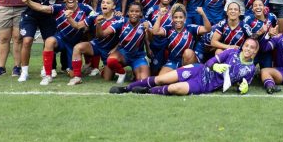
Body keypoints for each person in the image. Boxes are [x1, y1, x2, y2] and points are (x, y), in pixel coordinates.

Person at [111, 38, 259, 96]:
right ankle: (126, 88)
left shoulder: (250, 69)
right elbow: (208, 63)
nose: (248, 49)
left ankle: (147, 91)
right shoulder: (232, 52)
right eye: (246, 45)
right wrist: (215, 67)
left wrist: (243, 88)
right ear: (243, 45)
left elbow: (242, 84)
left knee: (175, 88)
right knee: (162, 79)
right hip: (198, 70)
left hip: (204, 85)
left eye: (252, 47)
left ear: (255, 52)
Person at [21, 0, 93, 85]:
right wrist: (28, 1)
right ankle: (47, 75)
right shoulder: (59, 7)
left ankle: (75, 70)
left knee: (73, 74)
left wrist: (87, 27)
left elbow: (96, 18)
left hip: (75, 44)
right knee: (49, 41)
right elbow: (41, 8)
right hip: (61, 39)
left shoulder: (86, 8)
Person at [2, 0, 62, 82]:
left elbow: (61, 6)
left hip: (47, 19)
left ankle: (45, 68)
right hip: (30, 17)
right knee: (27, 41)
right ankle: (24, 72)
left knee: (48, 42)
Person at [65, 0, 124, 85]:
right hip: (96, 45)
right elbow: (77, 25)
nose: (104, 4)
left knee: (107, 78)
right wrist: (69, 18)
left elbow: (102, 35)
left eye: (108, 3)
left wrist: (116, 48)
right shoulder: (95, 15)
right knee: (78, 47)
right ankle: (77, 77)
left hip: (109, 51)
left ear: (113, 6)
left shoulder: (119, 19)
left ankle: (104, 69)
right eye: (103, 2)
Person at [149, 4, 212, 74]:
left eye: (181, 17)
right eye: (175, 17)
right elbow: (155, 32)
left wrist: (203, 14)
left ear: (185, 18)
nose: (178, 20)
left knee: (188, 52)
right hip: (172, 61)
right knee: (160, 79)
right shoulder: (168, 28)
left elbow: (208, 29)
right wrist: (160, 15)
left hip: (188, 60)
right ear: (172, 18)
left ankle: (189, 77)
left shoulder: (190, 28)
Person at [105, 2, 152, 84]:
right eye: (131, 11)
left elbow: (150, 39)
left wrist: (148, 30)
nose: (134, 13)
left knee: (142, 81)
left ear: (141, 13)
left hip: (138, 56)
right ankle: (121, 72)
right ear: (128, 12)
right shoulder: (122, 21)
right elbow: (103, 34)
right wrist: (98, 24)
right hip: (123, 54)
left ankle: (135, 72)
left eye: (137, 11)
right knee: (108, 72)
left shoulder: (146, 23)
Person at [243, 0, 280, 68]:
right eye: (255, 6)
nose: (258, 7)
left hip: (266, 51)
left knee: (266, 73)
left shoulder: (272, 17)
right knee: (246, 73)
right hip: (252, 52)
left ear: (264, 7)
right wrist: (261, 31)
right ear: (252, 9)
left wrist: (273, 34)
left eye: (260, 5)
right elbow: (251, 38)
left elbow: (276, 31)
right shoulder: (247, 20)